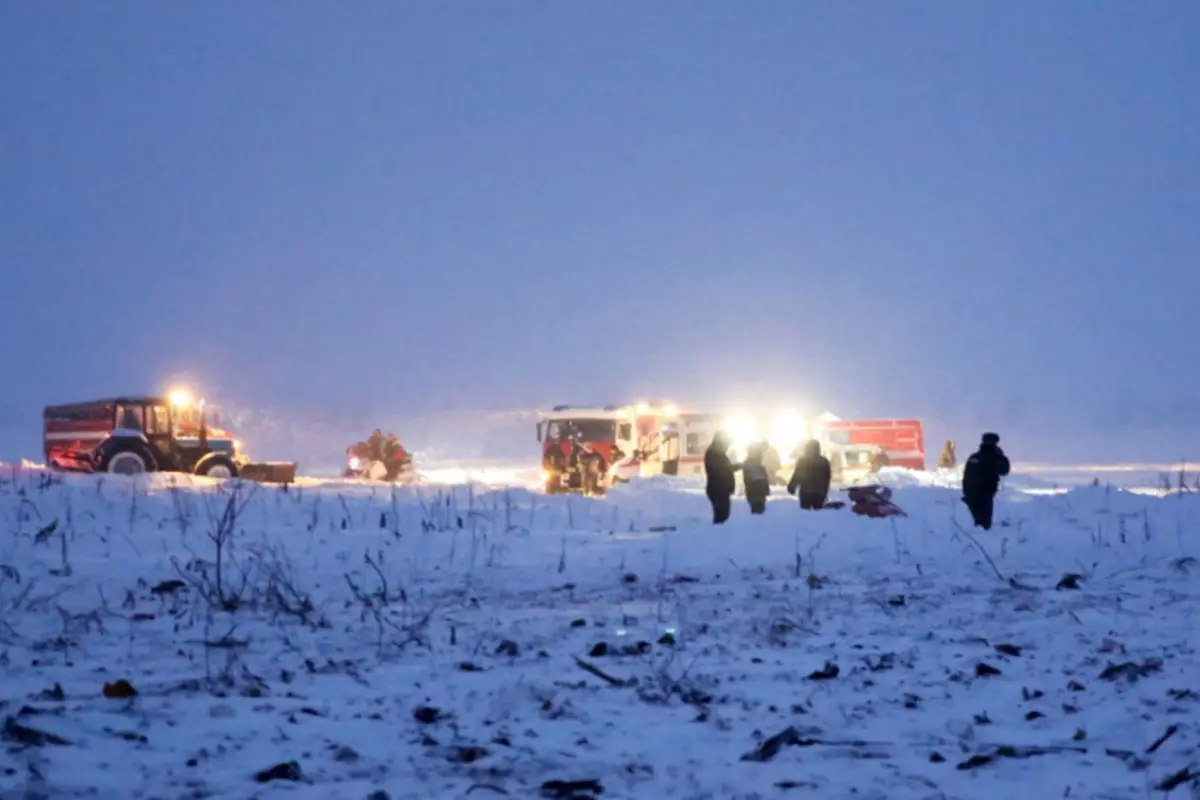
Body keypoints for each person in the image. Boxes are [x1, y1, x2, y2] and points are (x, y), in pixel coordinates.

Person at [961, 432, 1010, 530]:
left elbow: (966, 475)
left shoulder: (973, 457)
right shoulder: (993, 458)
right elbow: (1004, 470)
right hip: (985, 495)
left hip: (970, 495)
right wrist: (1001, 456)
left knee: (972, 523)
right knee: (983, 525)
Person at [704, 430, 741, 524]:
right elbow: (723, 469)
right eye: (727, 444)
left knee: (722, 516)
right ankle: (717, 535)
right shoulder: (715, 453)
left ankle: (718, 534)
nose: (727, 447)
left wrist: (739, 466)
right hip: (718, 489)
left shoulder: (716, 452)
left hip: (719, 489)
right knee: (721, 516)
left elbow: (725, 468)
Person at [787, 439, 832, 510]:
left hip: (806, 492)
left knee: (805, 515)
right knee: (818, 514)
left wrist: (792, 486)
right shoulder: (824, 461)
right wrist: (825, 492)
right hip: (819, 493)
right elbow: (827, 479)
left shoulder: (803, 460)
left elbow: (798, 475)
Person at [742, 441, 771, 514]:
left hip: (753, 494)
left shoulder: (748, 463)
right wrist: (766, 490)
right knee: (758, 513)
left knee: (756, 513)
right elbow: (761, 479)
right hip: (757, 494)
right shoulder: (755, 464)